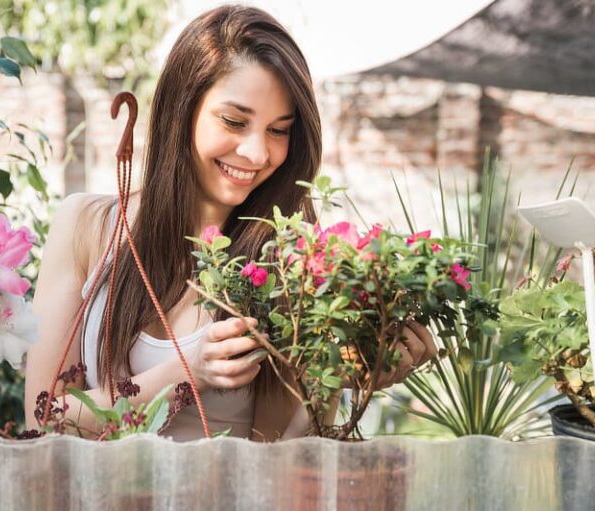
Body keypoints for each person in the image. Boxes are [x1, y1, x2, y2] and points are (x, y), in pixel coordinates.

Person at [25, 5, 436, 441]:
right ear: (181, 110)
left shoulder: (286, 261)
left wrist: (340, 373)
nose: (258, 154)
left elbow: (278, 453)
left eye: (279, 130)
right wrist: (188, 373)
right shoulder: (87, 228)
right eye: (235, 121)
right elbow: (45, 416)